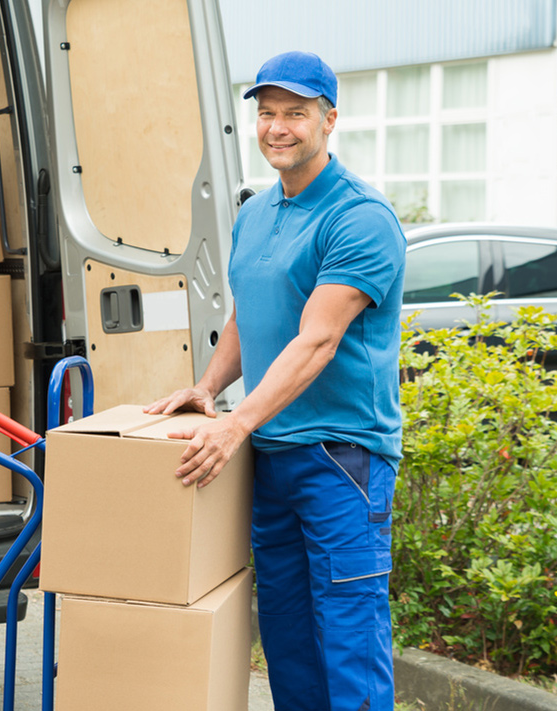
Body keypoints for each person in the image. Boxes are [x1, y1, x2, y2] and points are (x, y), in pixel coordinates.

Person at [147, 50, 405, 711]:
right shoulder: (257, 213)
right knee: (288, 642)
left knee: (348, 642)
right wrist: (209, 387)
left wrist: (236, 422)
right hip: (272, 456)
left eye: (295, 113)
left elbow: (317, 338)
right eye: (266, 114)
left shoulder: (359, 217)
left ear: (329, 120)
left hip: (342, 460)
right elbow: (249, 313)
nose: (277, 128)